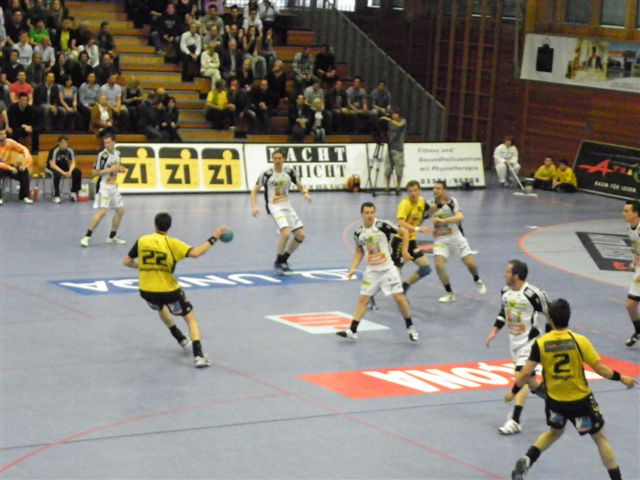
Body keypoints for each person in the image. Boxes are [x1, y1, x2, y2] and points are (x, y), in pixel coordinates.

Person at [506, 298, 636, 480]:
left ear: (550, 319)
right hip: (580, 403)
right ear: (568, 317)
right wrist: (622, 378)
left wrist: (513, 392)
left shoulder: (541, 343)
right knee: (599, 438)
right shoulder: (579, 341)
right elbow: (601, 369)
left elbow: (525, 374)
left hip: (555, 402)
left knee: (554, 432)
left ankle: (528, 458)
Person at [123, 212, 228, 368]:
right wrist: (215, 236)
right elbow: (196, 253)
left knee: (160, 307)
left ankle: (180, 338)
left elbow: (126, 261)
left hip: (146, 290)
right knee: (190, 319)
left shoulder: (142, 240)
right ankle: (199, 355)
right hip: (168, 290)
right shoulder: (173, 243)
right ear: (169, 226)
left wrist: (144, 266)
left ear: (155, 225)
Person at [336, 201, 418, 342]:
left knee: (399, 298)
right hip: (372, 271)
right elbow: (359, 251)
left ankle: (411, 327)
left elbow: (404, 231)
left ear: (375, 213)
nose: (369, 215)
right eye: (366, 213)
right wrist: (353, 267)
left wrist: (405, 251)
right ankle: (352, 331)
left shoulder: (382, 226)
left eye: (372, 212)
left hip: (388, 269)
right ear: (362, 214)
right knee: (363, 300)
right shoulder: (358, 233)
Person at [486, 260, 549, 435]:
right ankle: (554, 400)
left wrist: (551, 339)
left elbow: (549, 314)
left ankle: (515, 420)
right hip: (514, 343)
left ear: (516, 276)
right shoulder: (505, 292)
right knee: (531, 382)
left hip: (530, 342)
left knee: (521, 377)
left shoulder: (533, 294)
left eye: (507, 272)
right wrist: (494, 331)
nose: (504, 274)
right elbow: (503, 312)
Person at [250, 148, 311, 275]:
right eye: (275, 158)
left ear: (284, 159)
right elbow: (254, 190)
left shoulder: (289, 171)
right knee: (286, 233)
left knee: (300, 235)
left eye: (279, 158)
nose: (277, 161)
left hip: (287, 205)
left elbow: (300, 185)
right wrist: (254, 206)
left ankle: (284, 259)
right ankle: (278, 261)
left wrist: (305, 193)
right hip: (274, 206)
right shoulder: (266, 174)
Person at [427, 180, 486, 303]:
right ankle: (449, 293)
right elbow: (427, 213)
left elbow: (459, 217)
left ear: (444, 190)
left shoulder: (452, 201)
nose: (435, 190)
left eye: (438, 188)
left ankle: (477, 279)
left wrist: (443, 221)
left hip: (456, 237)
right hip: (440, 240)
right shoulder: (430, 203)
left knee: (471, 265)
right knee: (438, 265)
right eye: (434, 188)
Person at [80, 133, 126, 247]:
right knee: (102, 212)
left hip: (114, 186)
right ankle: (86, 237)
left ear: (114, 142)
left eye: (109, 142)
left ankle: (112, 236)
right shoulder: (102, 155)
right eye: (105, 143)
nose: (106, 145)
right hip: (104, 187)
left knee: (120, 211)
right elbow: (94, 172)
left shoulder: (118, 154)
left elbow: (115, 168)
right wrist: (110, 169)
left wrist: (119, 169)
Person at [0, 128, 33, 205]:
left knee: (24, 171)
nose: (3, 136)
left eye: (4, 134)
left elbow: (24, 149)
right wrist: (10, 168)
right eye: (1, 134)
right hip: (2, 167)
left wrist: (25, 163)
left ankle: (24, 196)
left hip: (10, 166)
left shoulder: (10, 142)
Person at [623, 200, 640, 348]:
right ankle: (638, 332)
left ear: (636, 213)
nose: (623, 214)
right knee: (630, 305)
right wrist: (635, 261)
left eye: (627, 211)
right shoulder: (630, 228)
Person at [47, 135, 81, 203]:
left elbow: (73, 163)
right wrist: (63, 173)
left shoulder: (70, 150)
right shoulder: (54, 150)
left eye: (65, 142)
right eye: (62, 142)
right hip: (52, 168)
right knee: (56, 174)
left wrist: (70, 171)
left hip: (65, 167)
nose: (64, 144)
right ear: (58, 143)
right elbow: (52, 165)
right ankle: (56, 195)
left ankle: (74, 192)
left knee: (77, 172)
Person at [380, 110, 406, 194]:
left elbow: (400, 125)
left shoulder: (403, 121)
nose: (395, 115)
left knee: (399, 169)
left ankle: (398, 186)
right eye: (393, 114)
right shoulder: (389, 123)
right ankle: (387, 186)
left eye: (396, 114)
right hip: (390, 148)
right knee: (387, 169)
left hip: (398, 149)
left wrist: (388, 120)